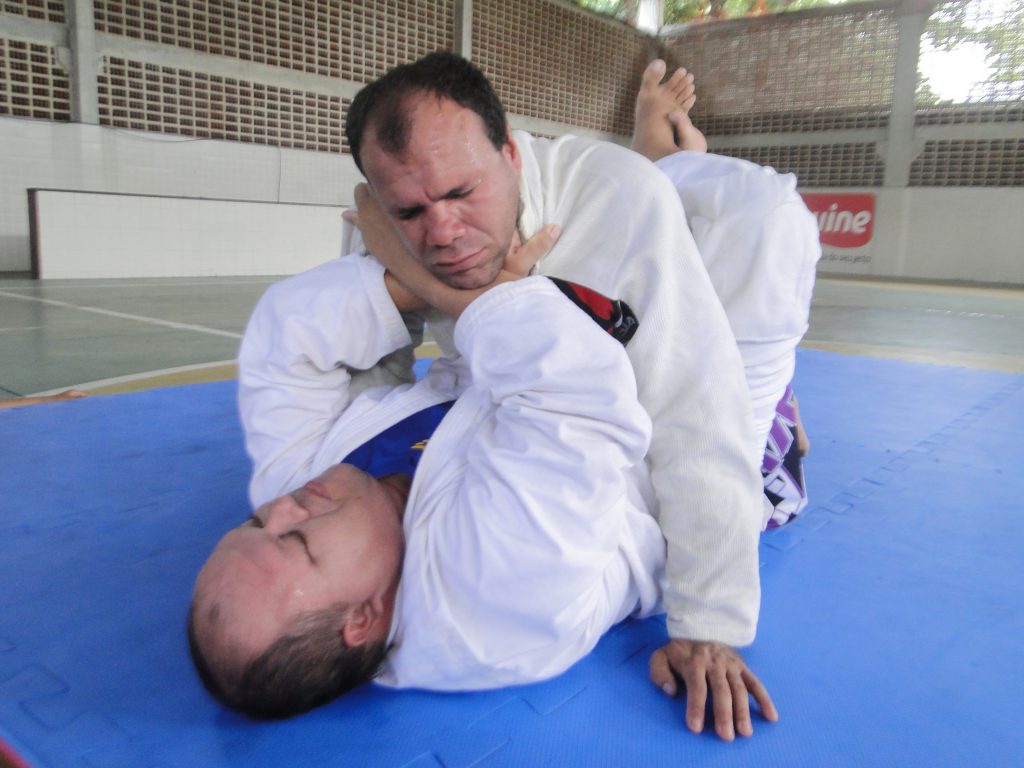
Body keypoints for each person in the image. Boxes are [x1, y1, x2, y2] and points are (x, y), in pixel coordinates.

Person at [233, 52, 772, 740]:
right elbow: (375, 380)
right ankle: (669, 142)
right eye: (409, 211)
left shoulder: (618, 200)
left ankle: (660, 144)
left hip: (666, 354)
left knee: (766, 225)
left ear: (512, 155)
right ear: (380, 197)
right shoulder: (381, 220)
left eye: (462, 193)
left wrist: (709, 621)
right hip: (526, 397)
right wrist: (413, 281)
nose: (444, 232)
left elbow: (698, 399)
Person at [191, 211, 669, 718]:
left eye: (256, 521)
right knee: (732, 212)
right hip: (664, 433)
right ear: (362, 619)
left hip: (503, 367)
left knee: (409, 200)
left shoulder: (307, 495)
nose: (285, 506)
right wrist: (465, 287)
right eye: (295, 540)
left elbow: (285, 335)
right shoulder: (487, 601)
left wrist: (415, 281)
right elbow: (575, 390)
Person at [629, 59, 819, 528]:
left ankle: (667, 164)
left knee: (762, 223)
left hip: (692, 503)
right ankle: (673, 164)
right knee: (769, 221)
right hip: (743, 489)